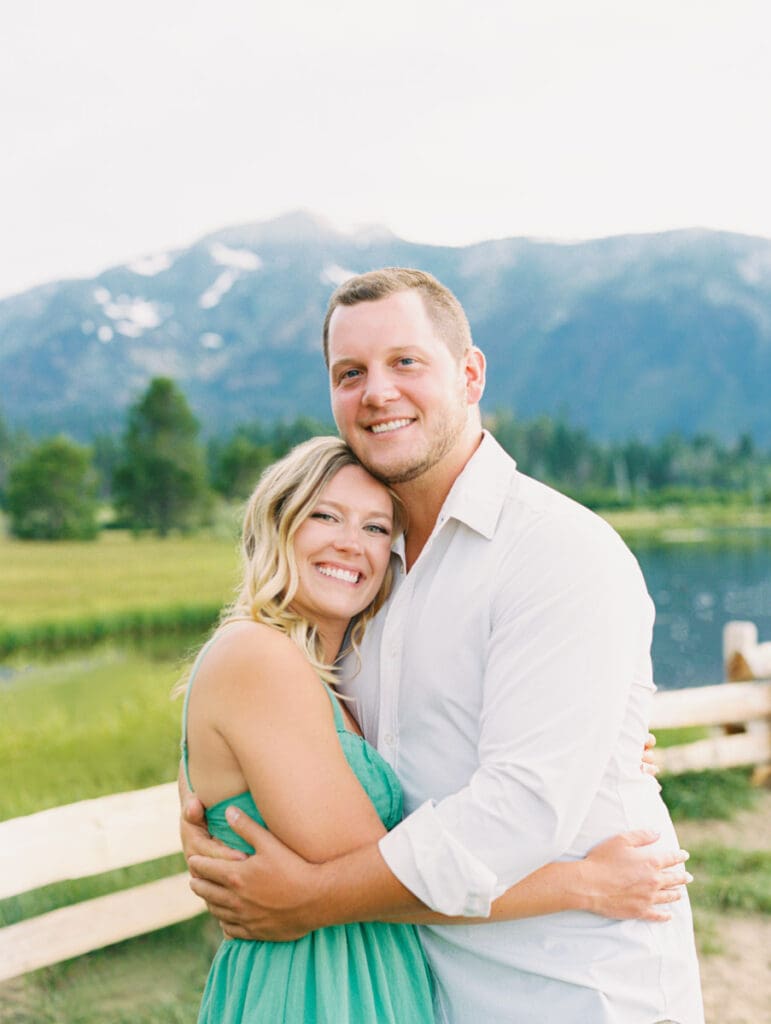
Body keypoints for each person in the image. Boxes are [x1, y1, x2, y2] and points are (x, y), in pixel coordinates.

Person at [182, 269, 704, 1024]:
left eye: (405, 362)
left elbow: (522, 807)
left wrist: (310, 900)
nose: (376, 392)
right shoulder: (363, 578)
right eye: (349, 373)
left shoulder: (556, 551)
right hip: (415, 984)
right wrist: (209, 826)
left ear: (468, 373)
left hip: (565, 985)